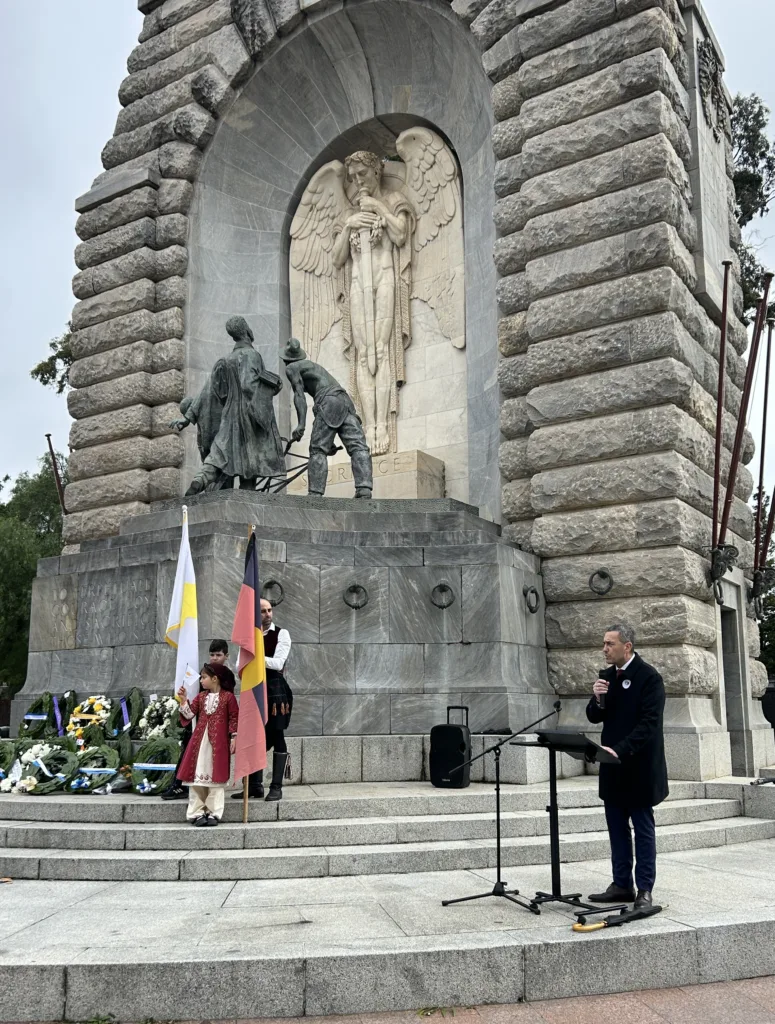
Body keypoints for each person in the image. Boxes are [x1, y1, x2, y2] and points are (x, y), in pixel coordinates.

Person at [586, 623, 668, 911]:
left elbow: (649, 725)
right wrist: (597, 698)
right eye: (604, 644)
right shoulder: (607, 676)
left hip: (639, 767)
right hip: (613, 766)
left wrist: (619, 749)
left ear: (627, 646)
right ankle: (621, 884)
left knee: (642, 828)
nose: (604, 649)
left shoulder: (649, 678)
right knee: (616, 827)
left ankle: (644, 889)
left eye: (610, 644)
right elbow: (595, 716)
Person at [281, 337, 373, 498]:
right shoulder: (314, 367)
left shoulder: (292, 368)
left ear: (286, 359)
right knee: (358, 446)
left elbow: (299, 395)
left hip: (329, 401)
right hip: (345, 400)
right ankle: (364, 489)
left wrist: (301, 424)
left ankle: (315, 495)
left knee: (317, 450)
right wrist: (328, 439)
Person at [232, 598, 293, 801]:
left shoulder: (281, 634)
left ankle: (276, 787)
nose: (268, 614)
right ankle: (254, 786)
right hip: (254, 689)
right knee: (253, 736)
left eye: (269, 610)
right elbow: (238, 663)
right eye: (263, 611)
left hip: (275, 691)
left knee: (277, 736)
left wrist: (255, 657)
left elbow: (277, 663)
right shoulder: (248, 636)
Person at [161, 639, 230, 801]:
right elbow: (195, 692)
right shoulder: (202, 672)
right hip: (197, 721)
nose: (214, 658)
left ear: (226, 656)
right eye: (212, 655)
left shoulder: (226, 676)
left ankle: (206, 788)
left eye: (218, 655)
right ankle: (178, 784)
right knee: (187, 752)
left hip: (215, 727)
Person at [176, 662, 239, 826]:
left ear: (215, 679)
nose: (201, 680)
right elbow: (189, 715)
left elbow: (234, 718)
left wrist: (235, 737)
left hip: (218, 743)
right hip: (199, 743)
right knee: (197, 778)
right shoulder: (201, 697)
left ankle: (214, 813)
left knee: (215, 779)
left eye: (204, 677)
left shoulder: (228, 697)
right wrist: (183, 701)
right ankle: (196, 813)